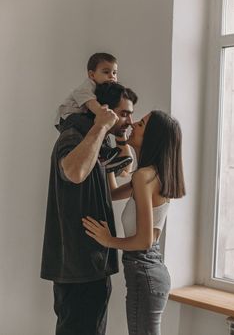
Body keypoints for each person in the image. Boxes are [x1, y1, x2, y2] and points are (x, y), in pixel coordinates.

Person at [40, 82, 138, 335]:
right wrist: (101, 125)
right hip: (79, 264)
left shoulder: (97, 141)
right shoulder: (74, 135)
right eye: (125, 113)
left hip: (91, 264)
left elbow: (111, 186)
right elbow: (74, 172)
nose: (130, 120)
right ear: (105, 110)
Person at [82, 110, 186, 335]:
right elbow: (111, 193)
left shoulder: (144, 177)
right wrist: (113, 151)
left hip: (145, 271)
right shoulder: (150, 174)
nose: (133, 124)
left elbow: (144, 241)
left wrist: (109, 240)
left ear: (152, 137)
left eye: (141, 124)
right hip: (150, 271)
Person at [55, 52, 133, 175]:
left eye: (114, 73)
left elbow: (125, 171)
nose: (112, 76)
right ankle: (105, 155)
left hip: (81, 118)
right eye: (106, 72)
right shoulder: (85, 88)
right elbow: (98, 110)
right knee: (89, 124)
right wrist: (110, 119)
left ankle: (104, 156)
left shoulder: (100, 132)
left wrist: (120, 132)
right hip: (68, 118)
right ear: (91, 74)